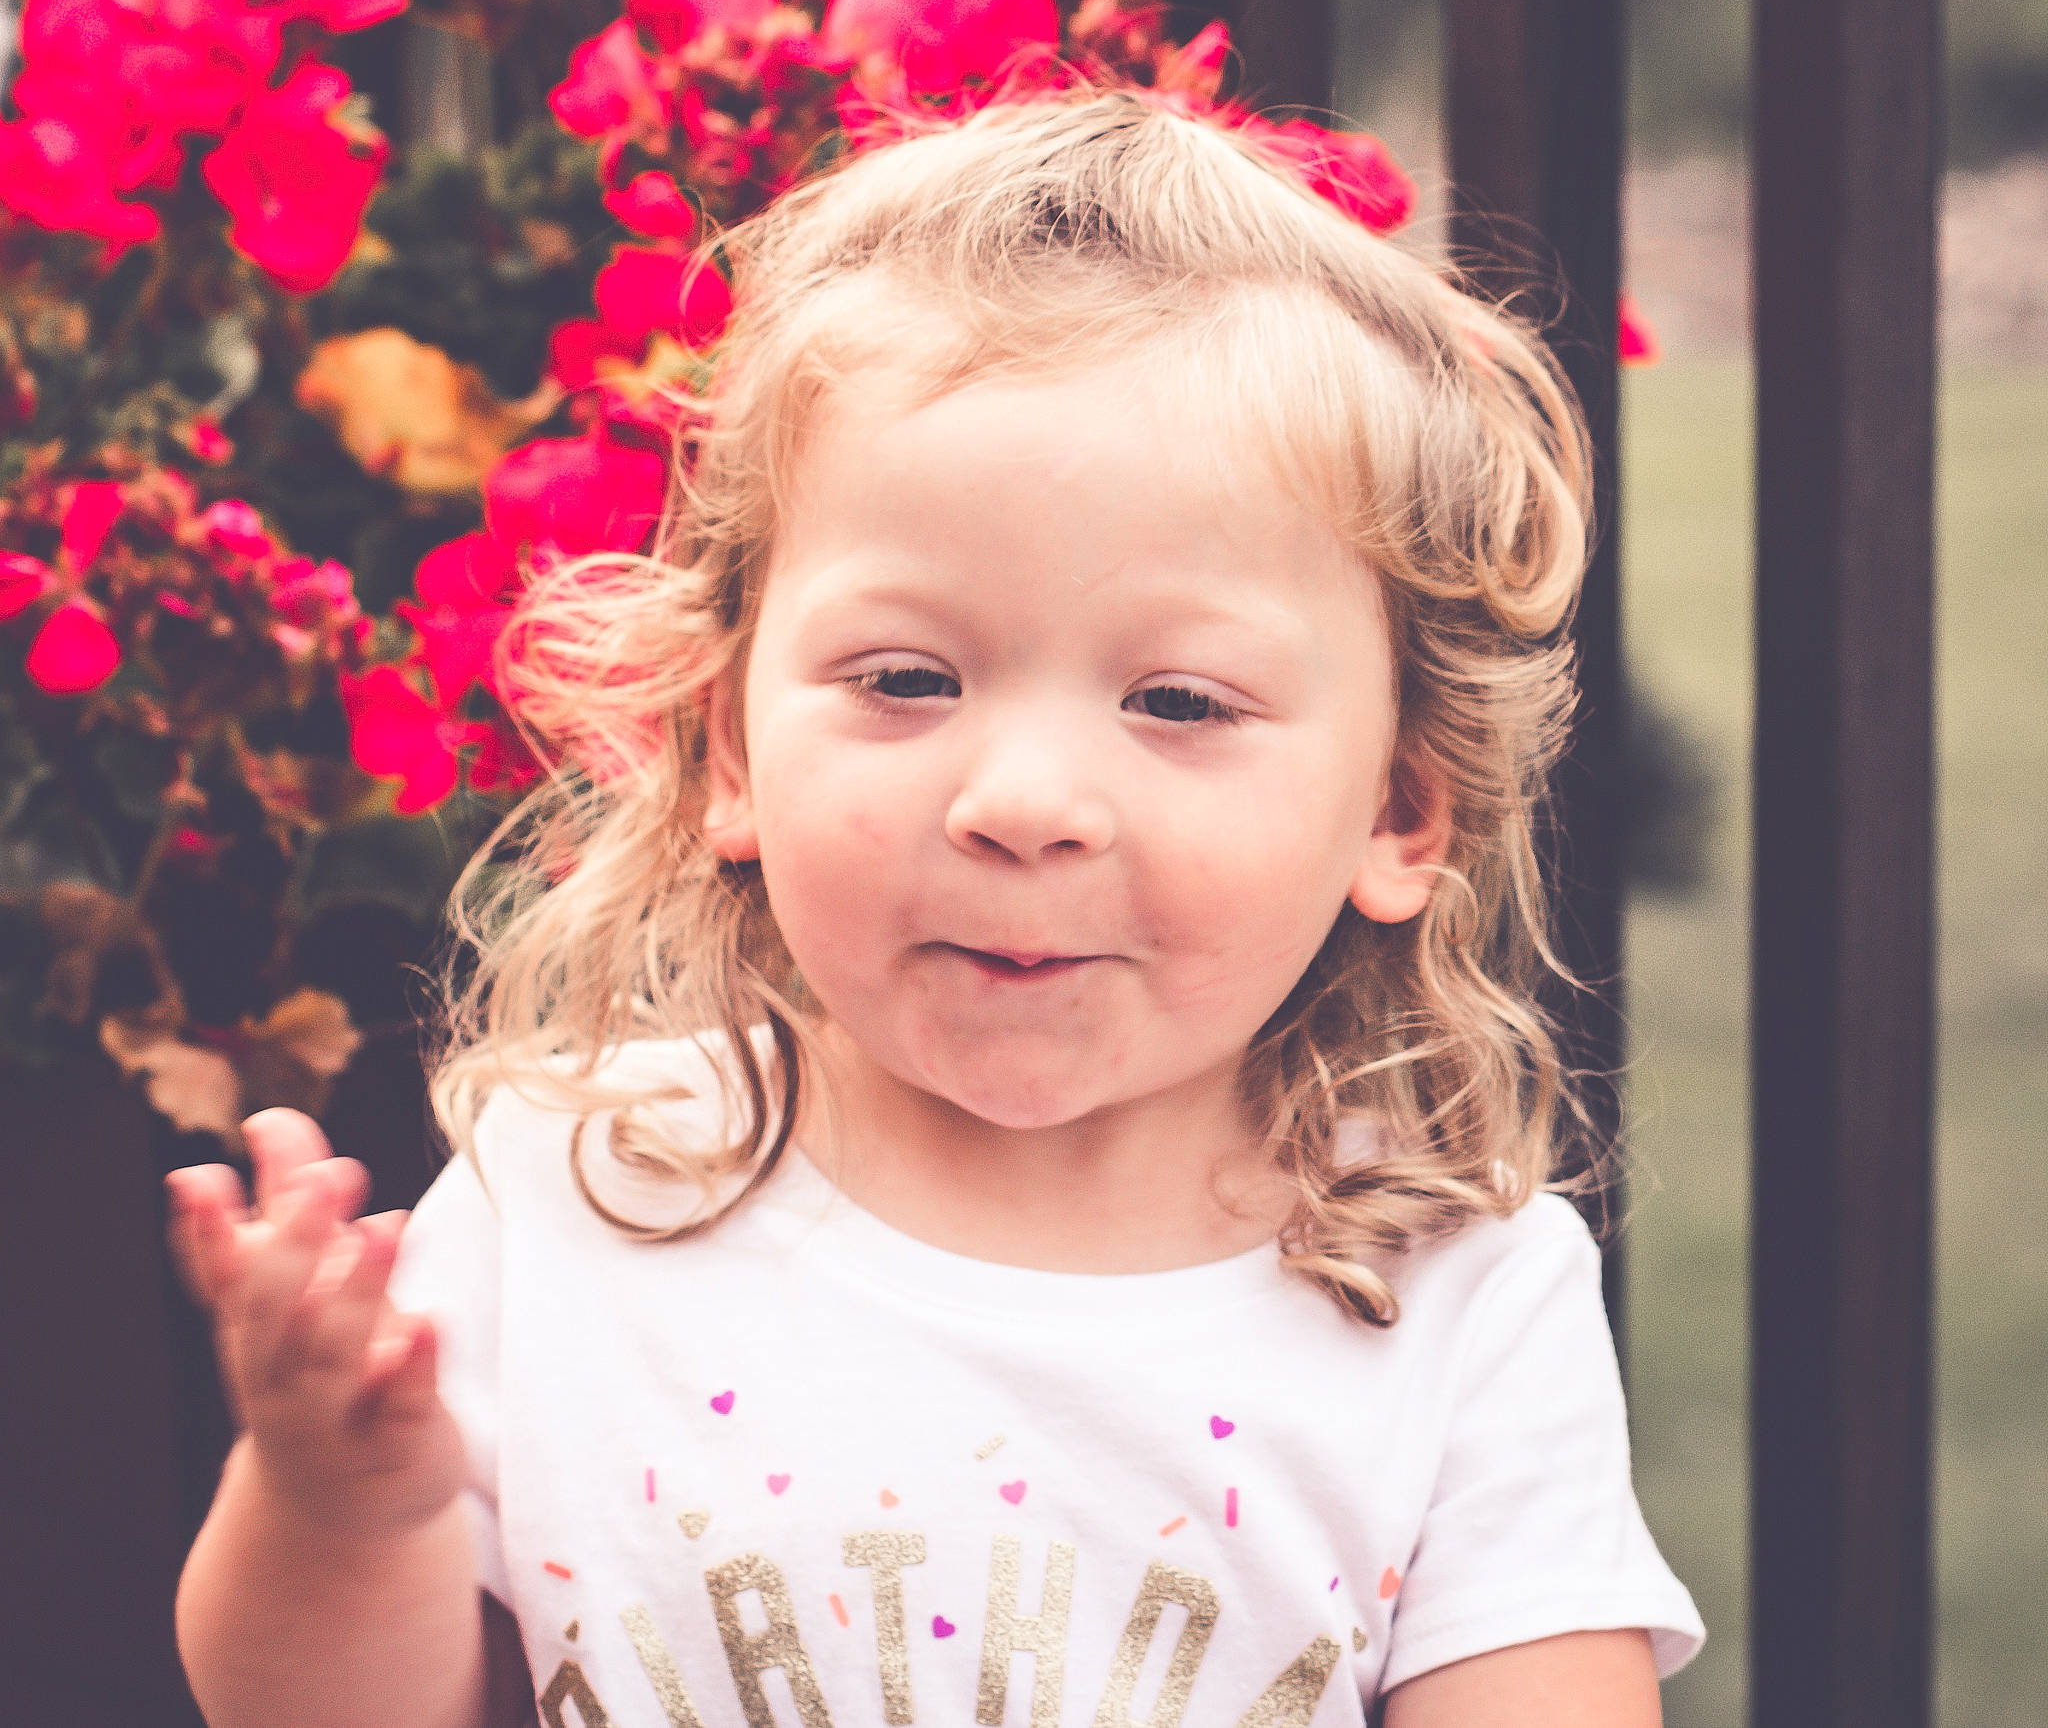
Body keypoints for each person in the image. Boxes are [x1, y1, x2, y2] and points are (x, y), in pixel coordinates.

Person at [165, 89, 1704, 1728]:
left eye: (1179, 702)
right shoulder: (569, 1206)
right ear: (730, 747)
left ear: (1396, 809)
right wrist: (337, 1506)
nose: (1023, 803)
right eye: (907, 677)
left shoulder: (1456, 1301)